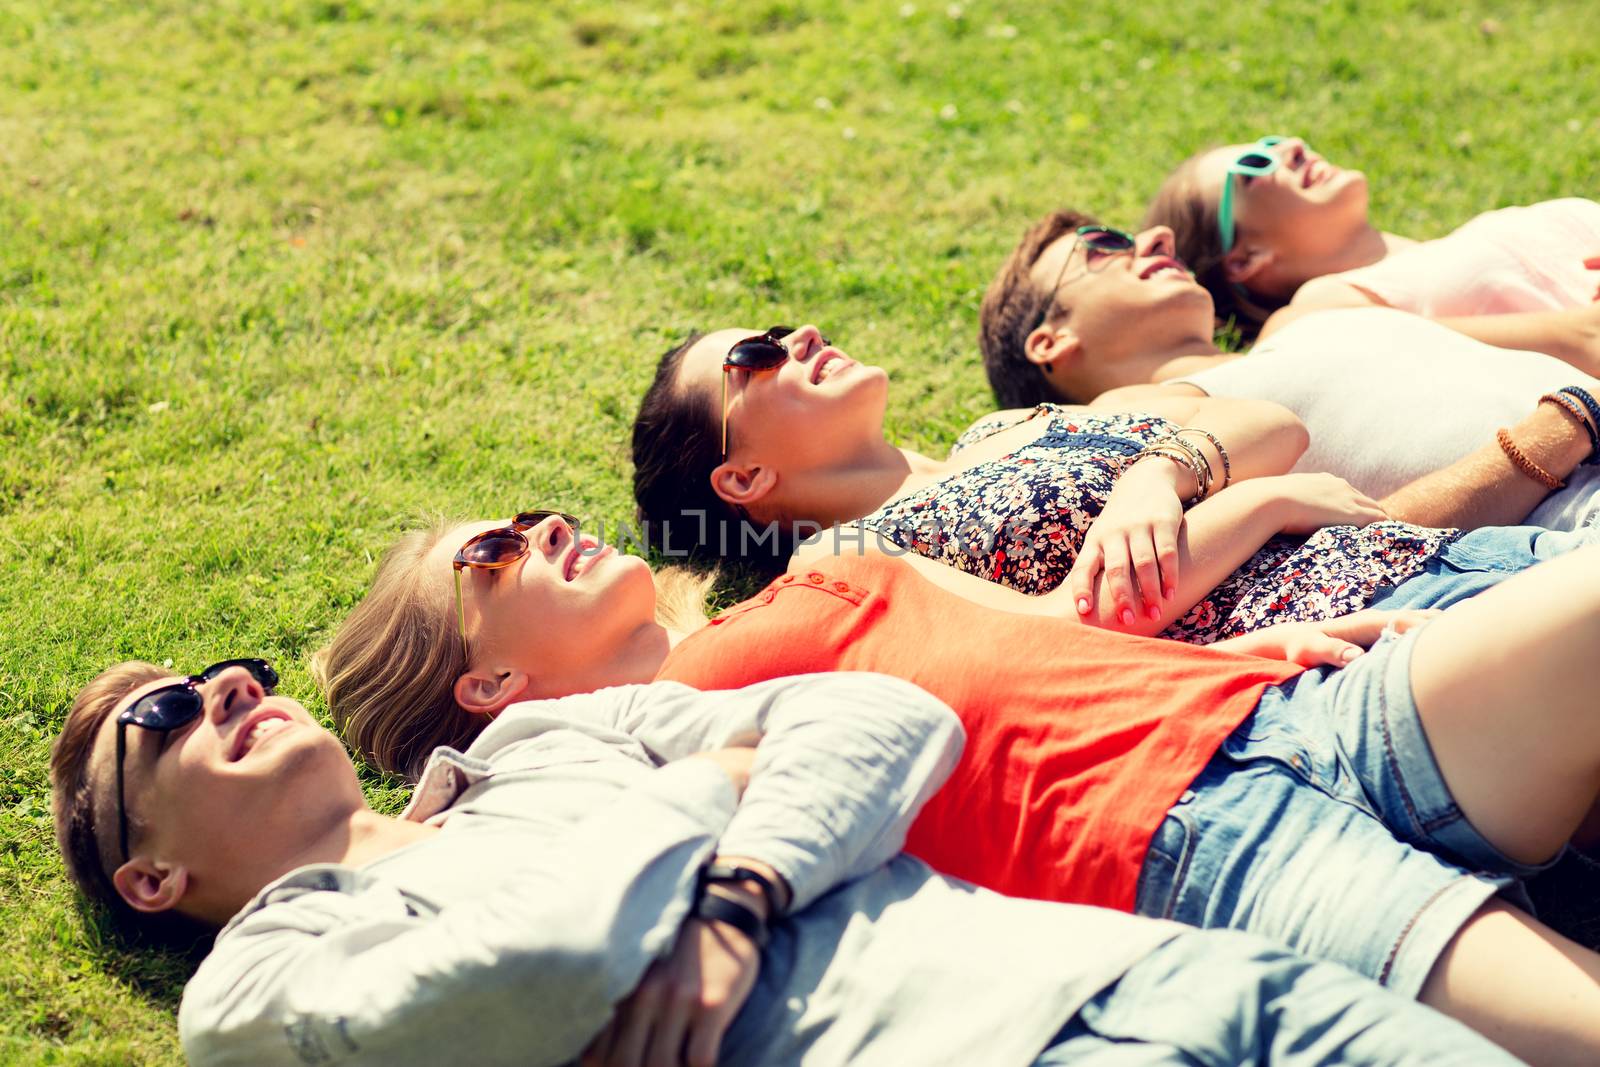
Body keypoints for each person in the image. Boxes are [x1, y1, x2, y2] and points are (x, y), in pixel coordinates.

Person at [316, 508, 1600, 1063]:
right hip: (1182, 849)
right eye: (490, 557)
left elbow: (1042, 625)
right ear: (479, 684)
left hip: (1286, 711)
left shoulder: (810, 573)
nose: (541, 529)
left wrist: (1219, 651)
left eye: (527, 518)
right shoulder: (629, 762)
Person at [48, 665, 1504, 1067]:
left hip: (1160, 969)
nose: (226, 691)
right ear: (149, 874)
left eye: (229, 672)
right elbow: (519, 967)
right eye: (166, 717)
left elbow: (886, 713)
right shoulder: (252, 990)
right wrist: (717, 782)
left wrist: (738, 897)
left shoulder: (549, 736)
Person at [630, 320, 1586, 639]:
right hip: (1360, 625)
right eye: (753, 357)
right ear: (744, 476)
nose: (795, 337)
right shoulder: (855, 557)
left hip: (1431, 553)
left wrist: (1157, 480)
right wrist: (1253, 501)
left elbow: (1265, 422)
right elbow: (1083, 628)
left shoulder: (1004, 428)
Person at [980, 211, 1600, 531]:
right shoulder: (1122, 424)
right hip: (1566, 518)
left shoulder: (1301, 322)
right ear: (1050, 342)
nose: (1156, 238)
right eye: (1104, 246)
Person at [1139, 134, 1600, 364]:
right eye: (1255, 165)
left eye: (1275, 143)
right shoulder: (1324, 308)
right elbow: (1582, 340)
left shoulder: (1461, 241)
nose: (1293, 147)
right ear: (1245, 258)